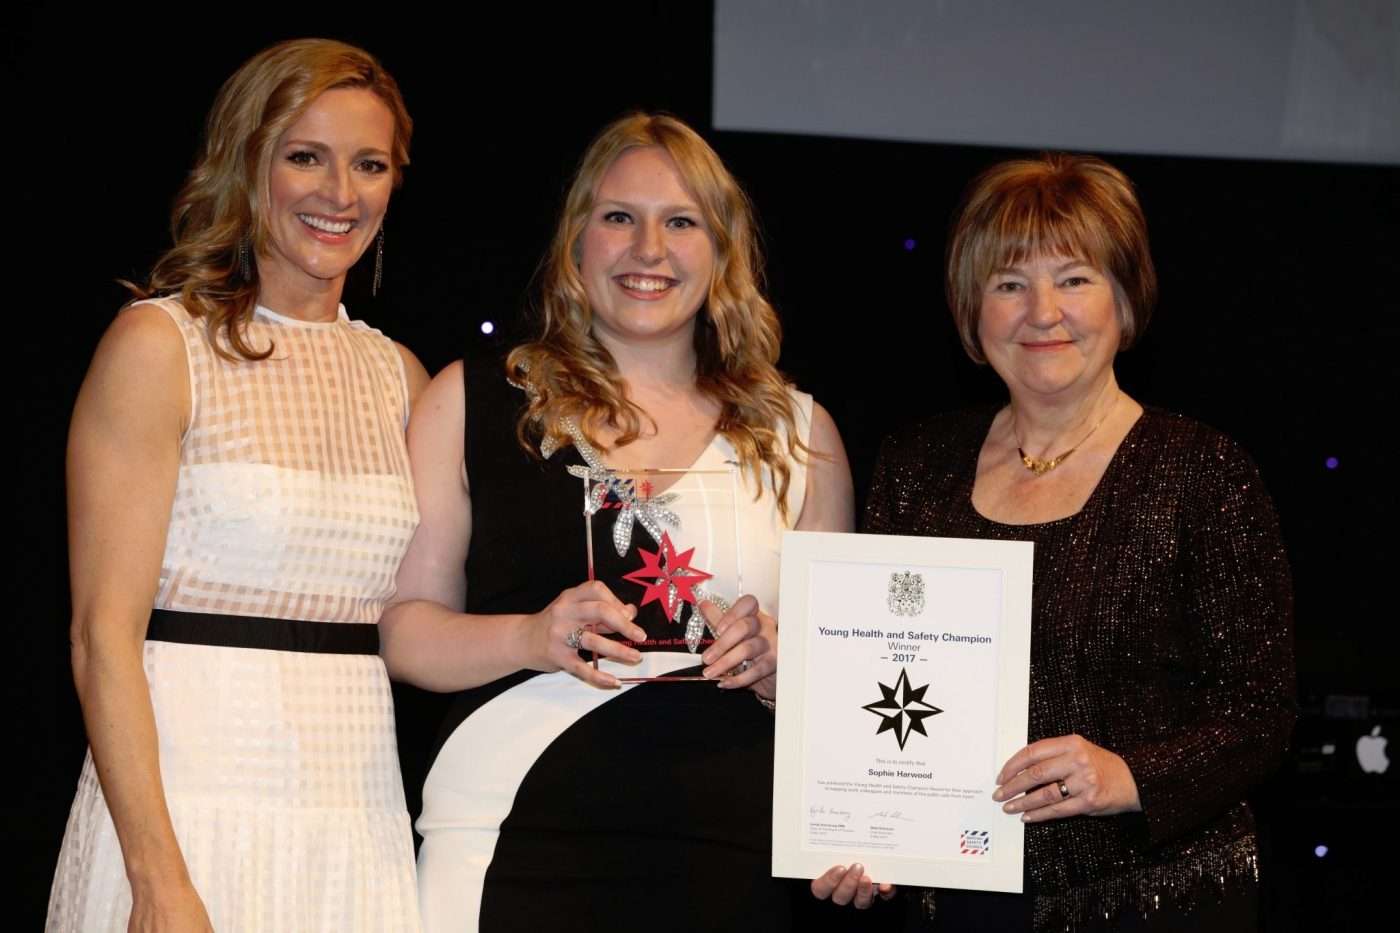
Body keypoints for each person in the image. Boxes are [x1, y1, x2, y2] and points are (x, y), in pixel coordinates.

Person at [380, 113, 880, 931]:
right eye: (619, 217)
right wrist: (529, 637)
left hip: (726, 865)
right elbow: (404, 633)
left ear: (722, 251)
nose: (648, 248)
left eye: (681, 221)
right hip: (504, 840)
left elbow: (845, 691)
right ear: (576, 242)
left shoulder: (801, 435)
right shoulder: (471, 401)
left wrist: (783, 665)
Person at [48, 39, 428, 932]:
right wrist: (158, 877)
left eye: (368, 164)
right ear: (245, 163)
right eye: (306, 156)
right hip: (188, 817)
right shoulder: (159, 347)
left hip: (358, 825)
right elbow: (102, 636)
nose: (340, 193)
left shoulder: (401, 378)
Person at [859, 154, 1295, 931]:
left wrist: (1125, 773)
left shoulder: (1203, 472)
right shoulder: (914, 468)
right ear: (971, 311)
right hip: (959, 900)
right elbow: (871, 679)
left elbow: (1261, 712)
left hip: (1156, 898)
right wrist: (859, 831)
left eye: (1074, 278)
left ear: (1125, 302)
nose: (1042, 311)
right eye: (1009, 283)